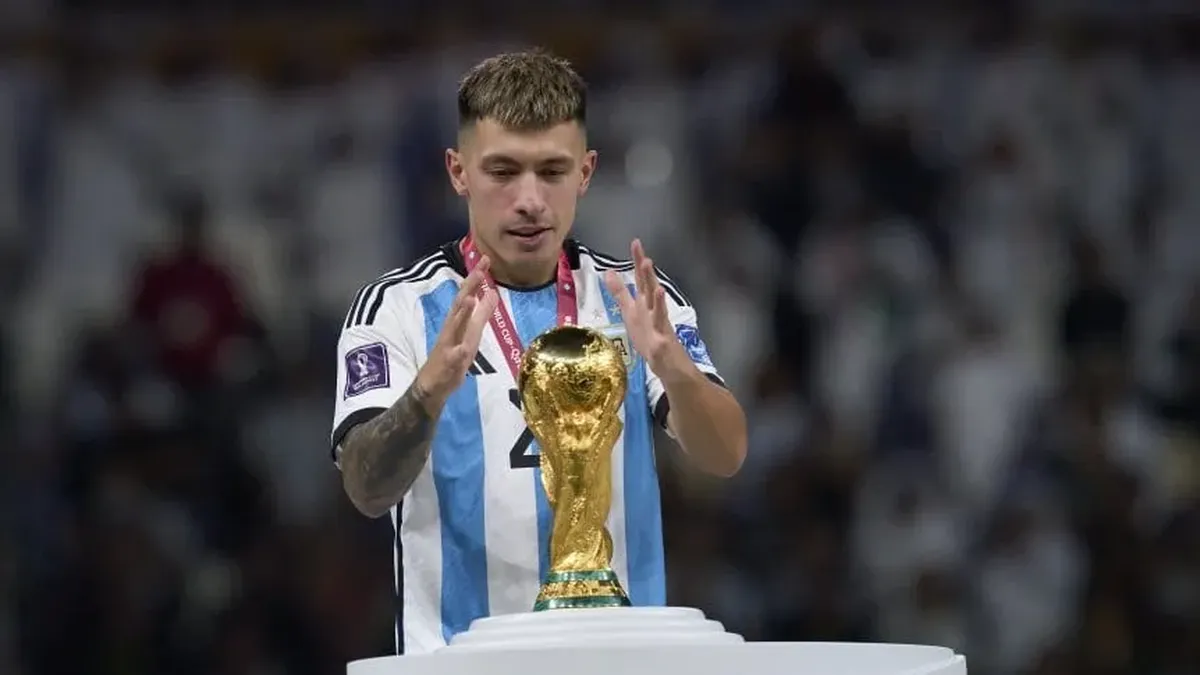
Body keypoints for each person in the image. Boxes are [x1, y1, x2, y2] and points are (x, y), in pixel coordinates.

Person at [329, 49, 748, 654]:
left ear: (586, 172)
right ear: (458, 172)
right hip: (458, 665)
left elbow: (726, 455)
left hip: (619, 659)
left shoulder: (635, 300)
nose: (529, 200)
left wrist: (676, 372)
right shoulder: (395, 309)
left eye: (552, 171)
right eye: (502, 171)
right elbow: (366, 490)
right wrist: (428, 393)